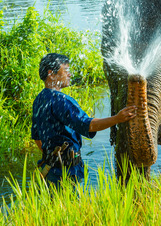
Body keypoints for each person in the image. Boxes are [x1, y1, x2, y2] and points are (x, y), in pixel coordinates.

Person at [31, 53, 136, 188]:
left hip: (49, 168)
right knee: (70, 204)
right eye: (66, 70)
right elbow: (89, 125)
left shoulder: (39, 99)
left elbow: (37, 137)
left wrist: (52, 155)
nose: (69, 74)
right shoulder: (61, 100)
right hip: (67, 171)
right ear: (51, 74)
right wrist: (117, 118)